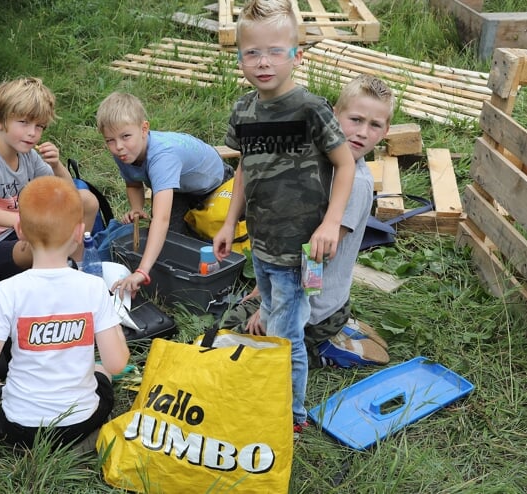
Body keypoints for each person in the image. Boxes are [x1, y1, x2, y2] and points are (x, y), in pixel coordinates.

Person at [211, 0, 356, 439]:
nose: (263, 62)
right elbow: (244, 169)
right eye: (252, 53)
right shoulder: (244, 112)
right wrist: (228, 223)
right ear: (239, 58)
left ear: (297, 54)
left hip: (303, 247)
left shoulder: (310, 109)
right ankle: (276, 383)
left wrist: (331, 223)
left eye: (275, 51)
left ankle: (290, 413)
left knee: (286, 335)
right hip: (262, 240)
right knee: (275, 311)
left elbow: (345, 165)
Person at [0, 176, 130, 450]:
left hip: (20, 429)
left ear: (20, 230)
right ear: (78, 232)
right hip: (80, 424)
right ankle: (84, 441)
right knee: (101, 371)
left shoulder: (7, 290)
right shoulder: (94, 287)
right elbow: (118, 363)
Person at [221, 74, 396, 369]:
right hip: (297, 285)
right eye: (355, 119)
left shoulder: (356, 184)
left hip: (311, 307)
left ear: (386, 130)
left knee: (231, 345)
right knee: (234, 318)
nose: (362, 132)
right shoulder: (321, 157)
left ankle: (323, 348)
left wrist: (270, 311)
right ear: (333, 115)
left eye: (374, 125)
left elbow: (315, 261)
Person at [0, 77, 99, 284]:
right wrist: (17, 221)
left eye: (39, 126)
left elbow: (70, 194)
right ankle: (58, 267)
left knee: (86, 200)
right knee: (44, 244)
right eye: (23, 122)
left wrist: (56, 165)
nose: (32, 133)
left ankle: (77, 268)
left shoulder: (27, 155)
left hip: (20, 231)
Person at [96, 91, 233, 296]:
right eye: (110, 140)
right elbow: (133, 183)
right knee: (169, 242)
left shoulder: (162, 158)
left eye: (125, 136)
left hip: (213, 184)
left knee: (196, 240)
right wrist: (136, 208)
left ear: (144, 129)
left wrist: (142, 271)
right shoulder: (123, 151)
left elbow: (161, 219)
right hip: (179, 188)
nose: (118, 147)